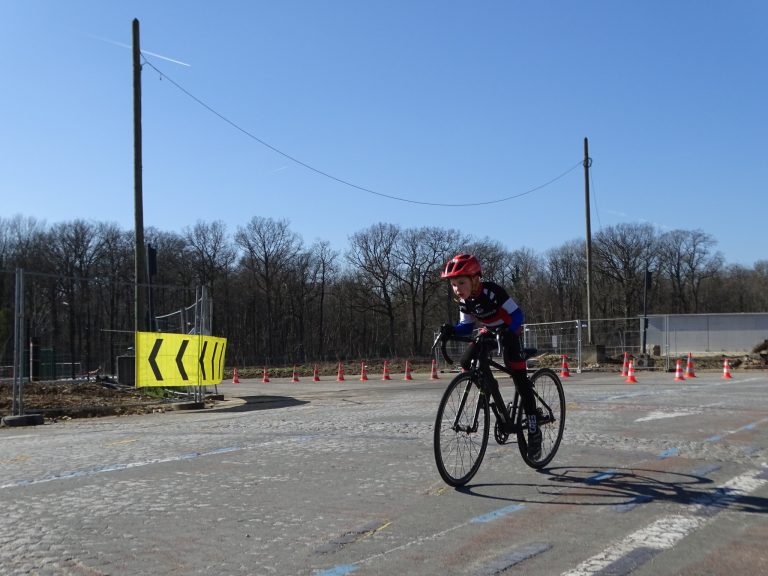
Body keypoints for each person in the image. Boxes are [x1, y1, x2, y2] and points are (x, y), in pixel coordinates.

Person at [439, 253, 541, 459]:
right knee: (467, 361)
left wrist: (509, 331)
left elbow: (518, 315)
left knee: (519, 378)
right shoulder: (464, 301)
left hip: (509, 331)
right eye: (453, 285)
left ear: (475, 279)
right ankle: (490, 391)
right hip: (488, 333)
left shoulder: (492, 292)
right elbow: (467, 326)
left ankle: (533, 427)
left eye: (461, 282)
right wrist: (451, 330)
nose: (457, 289)